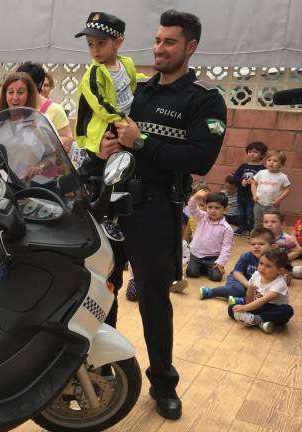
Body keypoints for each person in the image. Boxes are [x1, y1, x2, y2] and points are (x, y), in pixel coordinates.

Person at [107, 10, 227, 420]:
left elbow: (201, 159)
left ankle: (162, 383)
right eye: (158, 40)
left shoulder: (204, 99)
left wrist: (141, 144)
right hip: (114, 201)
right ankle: (102, 368)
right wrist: (109, 147)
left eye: (169, 42)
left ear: (190, 47)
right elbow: (115, 138)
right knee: (103, 287)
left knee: (153, 301)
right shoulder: (137, 93)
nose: (159, 48)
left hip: (156, 210)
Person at [74, 11, 145, 243]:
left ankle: (112, 216)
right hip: (104, 130)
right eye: (90, 44)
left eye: (101, 43)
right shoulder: (93, 73)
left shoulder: (127, 64)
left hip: (122, 125)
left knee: (118, 174)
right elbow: (100, 103)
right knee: (96, 172)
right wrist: (123, 122)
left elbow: (132, 85)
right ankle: (96, 215)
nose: (94, 50)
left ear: (118, 42)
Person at [229, 248, 294, 334]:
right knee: (231, 308)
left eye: (268, 266)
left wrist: (245, 308)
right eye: (261, 263)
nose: (262, 268)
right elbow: (250, 291)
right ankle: (261, 323)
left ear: (280, 270)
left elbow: (264, 300)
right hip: (257, 305)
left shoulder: (280, 283)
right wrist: (247, 307)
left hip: (273, 310)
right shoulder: (256, 274)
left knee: (287, 310)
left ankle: (256, 319)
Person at [199, 227, 274, 301]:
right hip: (238, 280)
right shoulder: (246, 256)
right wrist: (247, 285)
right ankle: (210, 291)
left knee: (265, 296)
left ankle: (239, 300)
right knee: (239, 291)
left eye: (261, 244)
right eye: (253, 244)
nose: (256, 246)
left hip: (256, 285)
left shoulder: (273, 260)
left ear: (272, 246)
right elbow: (237, 273)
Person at [16, 62, 73, 150]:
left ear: (38, 84)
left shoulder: (55, 109)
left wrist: (43, 139)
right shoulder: (14, 104)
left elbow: (68, 141)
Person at [185, 190, 233, 281]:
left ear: (225, 209)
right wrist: (195, 197)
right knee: (191, 273)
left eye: (217, 208)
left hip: (213, 258)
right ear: (206, 206)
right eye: (210, 207)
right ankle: (202, 267)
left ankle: (208, 268)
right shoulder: (202, 217)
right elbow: (192, 208)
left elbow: (226, 248)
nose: (212, 211)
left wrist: (221, 263)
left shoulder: (227, 228)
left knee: (216, 277)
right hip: (196, 255)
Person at [232, 141, 267, 234]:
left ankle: (252, 229)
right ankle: (242, 227)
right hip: (241, 195)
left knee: (251, 213)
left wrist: (254, 183)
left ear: (262, 155)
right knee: (241, 213)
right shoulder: (243, 166)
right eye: (250, 151)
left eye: (255, 152)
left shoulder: (263, 169)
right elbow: (235, 177)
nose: (252, 154)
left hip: (253, 197)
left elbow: (264, 183)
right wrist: (241, 181)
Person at [251, 149, 291, 229]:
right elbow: (253, 183)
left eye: (275, 161)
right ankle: (257, 237)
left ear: (281, 164)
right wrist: (254, 195)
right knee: (258, 221)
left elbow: (287, 189)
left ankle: (268, 238)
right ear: (266, 161)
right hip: (259, 203)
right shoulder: (261, 173)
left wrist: (279, 199)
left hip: (272, 205)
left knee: (270, 223)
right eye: (269, 160)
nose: (271, 162)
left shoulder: (282, 177)